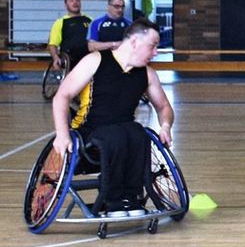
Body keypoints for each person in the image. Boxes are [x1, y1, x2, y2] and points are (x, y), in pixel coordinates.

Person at [52, 18, 174, 217]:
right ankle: (113, 200)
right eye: (152, 46)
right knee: (116, 136)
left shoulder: (148, 74)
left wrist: (166, 125)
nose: (155, 52)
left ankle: (131, 198)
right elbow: (61, 96)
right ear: (134, 42)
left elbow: (164, 106)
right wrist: (62, 134)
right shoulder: (95, 61)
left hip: (124, 133)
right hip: (88, 134)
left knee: (138, 133)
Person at [47, 0, 92, 69]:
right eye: (71, 1)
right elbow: (52, 44)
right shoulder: (60, 22)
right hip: (70, 61)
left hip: (88, 59)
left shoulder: (89, 20)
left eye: (77, 0)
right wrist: (55, 57)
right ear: (65, 5)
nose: (75, 2)